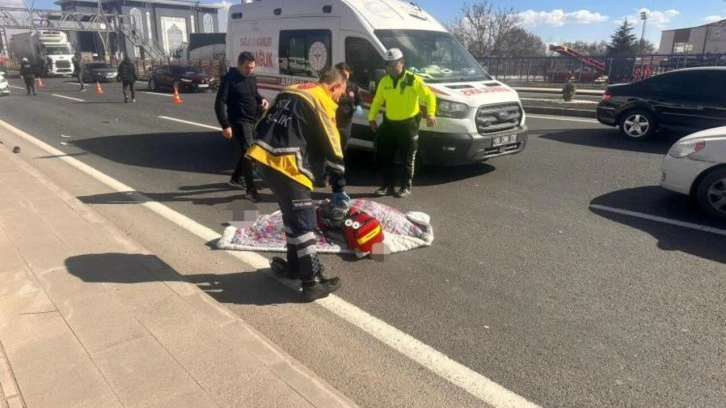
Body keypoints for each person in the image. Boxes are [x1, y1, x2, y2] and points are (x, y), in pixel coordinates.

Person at [245, 66, 349, 301]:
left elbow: (264, 121)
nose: (339, 98)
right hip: (288, 164)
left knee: (292, 218)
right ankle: (311, 282)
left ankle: (295, 267)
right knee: (304, 221)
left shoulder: (291, 89)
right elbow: (333, 144)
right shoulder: (321, 98)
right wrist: (339, 186)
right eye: (340, 93)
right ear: (334, 85)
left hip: (264, 158)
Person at [368, 48, 437, 198]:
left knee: (407, 157)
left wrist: (431, 113)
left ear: (402, 62)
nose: (390, 68)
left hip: (408, 124)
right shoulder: (384, 81)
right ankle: (387, 186)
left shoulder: (413, 80)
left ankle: (405, 186)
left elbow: (429, 96)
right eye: (387, 65)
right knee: (386, 156)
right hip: (390, 124)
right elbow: (377, 100)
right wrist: (371, 118)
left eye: (393, 64)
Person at [215, 51, 269, 202]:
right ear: (239, 64)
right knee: (250, 153)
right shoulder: (229, 79)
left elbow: (254, 94)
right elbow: (219, 103)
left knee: (247, 151)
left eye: (252, 67)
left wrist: (262, 100)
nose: (250, 70)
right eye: (247, 67)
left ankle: (236, 178)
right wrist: (225, 125)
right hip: (238, 121)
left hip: (253, 119)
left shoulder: (251, 78)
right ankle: (250, 190)